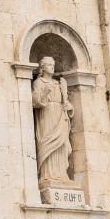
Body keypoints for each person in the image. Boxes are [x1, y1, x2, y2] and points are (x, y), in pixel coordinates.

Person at [32, 55, 74, 189]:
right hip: (46, 115)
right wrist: (45, 93)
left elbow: (66, 102)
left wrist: (69, 107)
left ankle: (61, 175)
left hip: (60, 115)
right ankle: (48, 175)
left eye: (53, 64)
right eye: (49, 65)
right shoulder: (39, 83)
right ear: (43, 68)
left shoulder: (58, 83)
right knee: (48, 144)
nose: (52, 67)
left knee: (63, 146)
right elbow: (35, 102)